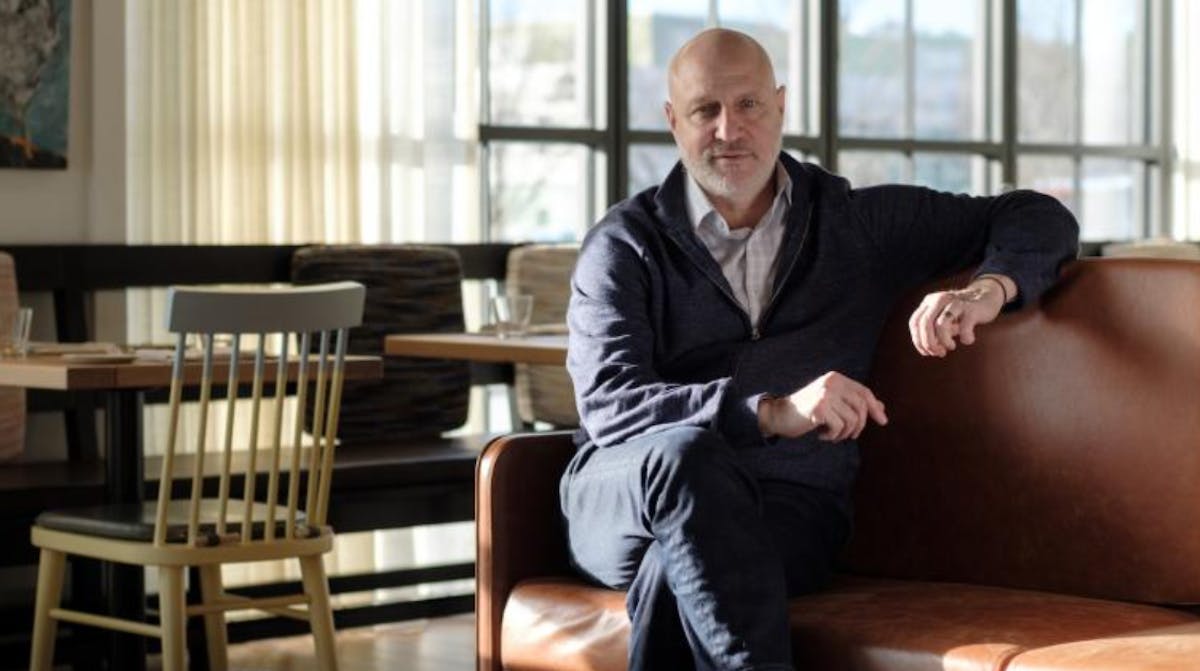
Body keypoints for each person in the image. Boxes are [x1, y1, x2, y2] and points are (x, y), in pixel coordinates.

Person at [560, 27, 1079, 671]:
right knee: (685, 454)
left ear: (780, 105)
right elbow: (611, 405)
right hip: (628, 494)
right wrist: (770, 412)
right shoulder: (625, 243)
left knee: (683, 564)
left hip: (786, 507)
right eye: (705, 110)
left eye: (748, 104)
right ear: (673, 121)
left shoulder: (856, 226)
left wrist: (988, 291)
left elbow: (1036, 214)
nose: (729, 130)